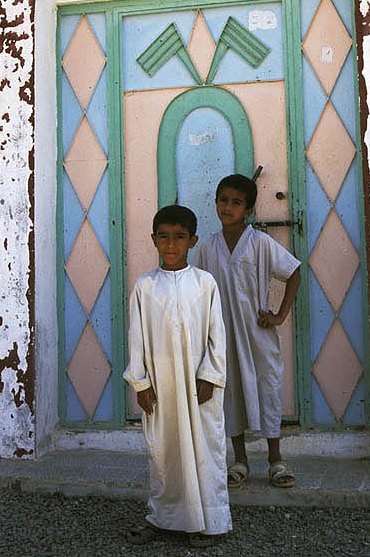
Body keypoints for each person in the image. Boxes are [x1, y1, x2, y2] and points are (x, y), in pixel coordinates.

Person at [123, 205, 232, 547]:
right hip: (161, 387)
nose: (171, 245)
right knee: (164, 453)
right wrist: (140, 383)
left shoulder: (204, 284)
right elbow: (136, 338)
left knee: (204, 451)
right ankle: (164, 518)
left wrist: (210, 375)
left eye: (179, 238)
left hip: (198, 387)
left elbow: (217, 335)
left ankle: (208, 522)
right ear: (154, 240)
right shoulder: (145, 287)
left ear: (193, 241)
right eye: (164, 237)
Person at [196, 174, 301, 489]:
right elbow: (198, 290)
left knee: (267, 390)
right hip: (222, 337)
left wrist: (280, 315)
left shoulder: (260, 243)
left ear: (249, 210)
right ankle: (239, 461)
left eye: (236, 202)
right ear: (216, 203)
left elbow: (293, 272)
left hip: (257, 335)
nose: (228, 207)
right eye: (223, 200)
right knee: (229, 393)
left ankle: (275, 460)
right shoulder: (207, 248)